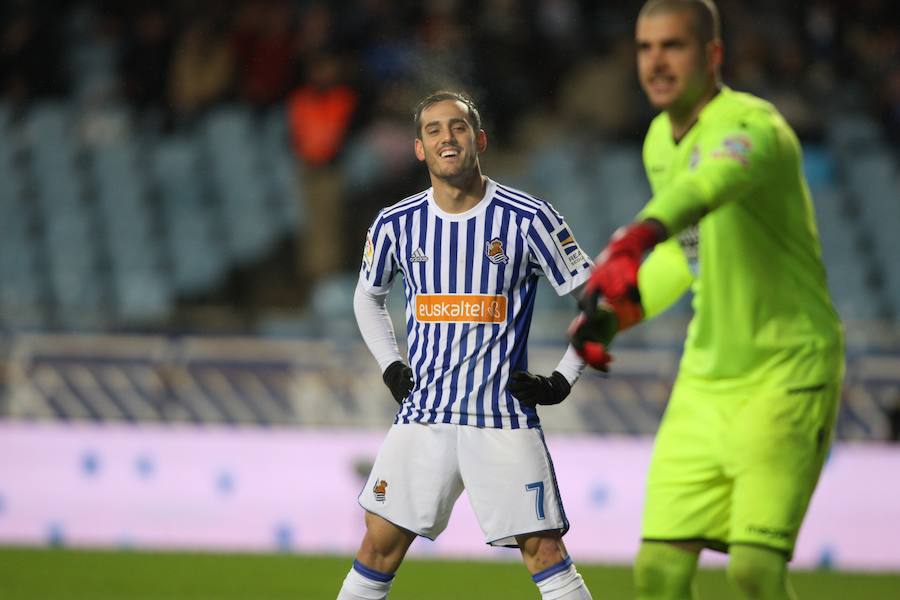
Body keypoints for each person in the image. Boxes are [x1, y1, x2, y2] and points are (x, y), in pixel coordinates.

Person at [569, 1, 844, 599]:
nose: (656, 61)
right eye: (645, 48)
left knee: (754, 570)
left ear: (712, 54)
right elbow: (686, 255)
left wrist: (634, 235)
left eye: (673, 46)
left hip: (785, 368)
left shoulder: (754, 126)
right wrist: (619, 313)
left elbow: (707, 187)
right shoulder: (658, 143)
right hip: (706, 380)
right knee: (659, 572)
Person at [336, 91, 595, 600]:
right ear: (418, 148)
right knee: (377, 547)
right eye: (433, 130)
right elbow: (367, 298)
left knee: (544, 552)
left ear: (479, 139)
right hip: (425, 414)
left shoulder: (529, 219)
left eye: (457, 127)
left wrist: (564, 378)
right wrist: (391, 364)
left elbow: (598, 304)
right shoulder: (395, 223)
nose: (445, 138)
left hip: (502, 417)